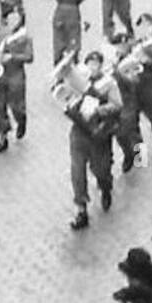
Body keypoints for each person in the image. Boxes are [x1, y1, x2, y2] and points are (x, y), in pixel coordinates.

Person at [67, 50, 122, 230]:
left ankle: (138, 161)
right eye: (89, 62)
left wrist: (99, 110)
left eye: (96, 62)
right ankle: (81, 209)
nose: (93, 66)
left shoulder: (109, 83)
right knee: (77, 171)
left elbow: (117, 104)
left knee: (136, 146)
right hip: (81, 131)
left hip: (109, 128)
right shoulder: (81, 80)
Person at [0, 5, 33, 151]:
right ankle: (3, 136)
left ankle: (21, 120)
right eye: (10, 17)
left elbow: (29, 57)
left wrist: (13, 57)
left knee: (16, 107)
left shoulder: (24, 36)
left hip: (16, 75)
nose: (12, 20)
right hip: (1, 75)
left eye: (15, 17)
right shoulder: (0, 33)